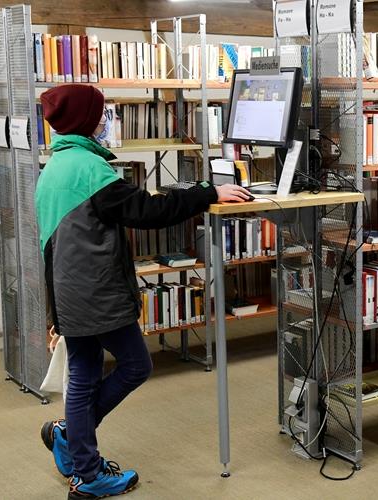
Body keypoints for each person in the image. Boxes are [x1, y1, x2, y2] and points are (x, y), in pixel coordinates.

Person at [35, 84, 250, 499]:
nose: (104, 121)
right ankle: (83, 464)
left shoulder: (55, 165)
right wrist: (208, 193)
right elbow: (149, 211)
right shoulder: (89, 168)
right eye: (100, 114)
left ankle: (78, 453)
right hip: (96, 292)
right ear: (84, 119)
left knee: (82, 374)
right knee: (136, 365)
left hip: (68, 290)